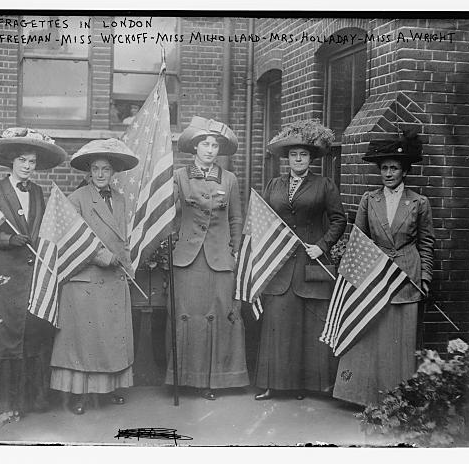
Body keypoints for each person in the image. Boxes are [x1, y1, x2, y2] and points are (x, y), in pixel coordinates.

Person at [332, 131, 435, 406]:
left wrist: (424, 277)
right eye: (385, 168)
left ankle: (397, 399)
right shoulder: (369, 199)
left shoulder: (419, 202)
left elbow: (426, 243)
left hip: (406, 276)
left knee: (399, 340)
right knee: (372, 333)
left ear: (404, 171)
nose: (389, 173)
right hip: (375, 275)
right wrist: (354, 275)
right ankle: (364, 396)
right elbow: (359, 239)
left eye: (394, 168)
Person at [254, 120, 347, 401]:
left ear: (310, 159)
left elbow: (339, 219)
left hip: (310, 264)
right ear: (287, 158)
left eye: (303, 155)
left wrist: (322, 246)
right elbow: (264, 221)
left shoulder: (323, 185)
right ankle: (273, 384)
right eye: (293, 155)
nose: (298, 159)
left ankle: (306, 386)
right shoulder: (274, 185)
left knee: (308, 327)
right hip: (280, 266)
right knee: (278, 324)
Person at [0, 127, 67, 418]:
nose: (27, 166)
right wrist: (7, 240)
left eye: (31, 161)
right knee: (5, 336)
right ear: (10, 162)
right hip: (3, 276)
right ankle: (3, 403)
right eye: (22, 160)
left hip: (32, 279)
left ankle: (31, 401)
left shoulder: (39, 193)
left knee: (30, 334)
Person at [50, 139, 139, 415]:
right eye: (96, 169)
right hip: (86, 280)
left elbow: (123, 238)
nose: (101, 174)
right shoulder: (75, 199)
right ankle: (80, 395)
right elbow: (69, 239)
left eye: (106, 169)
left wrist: (125, 264)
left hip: (114, 279)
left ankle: (109, 389)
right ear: (89, 171)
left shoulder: (121, 200)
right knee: (85, 342)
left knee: (110, 339)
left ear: (113, 173)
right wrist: (102, 257)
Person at [165, 116, 249, 400]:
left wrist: (234, 249)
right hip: (187, 259)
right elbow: (168, 215)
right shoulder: (179, 176)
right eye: (205, 144)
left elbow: (237, 219)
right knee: (188, 317)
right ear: (195, 147)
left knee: (220, 316)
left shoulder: (229, 179)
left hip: (219, 258)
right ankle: (186, 378)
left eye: (215, 145)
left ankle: (216, 380)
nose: (210, 150)